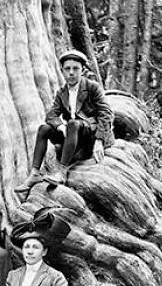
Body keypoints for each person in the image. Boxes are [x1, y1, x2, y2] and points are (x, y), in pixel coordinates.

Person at [16, 49, 114, 193]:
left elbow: (106, 113)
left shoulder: (92, 87)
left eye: (76, 68)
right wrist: (61, 126)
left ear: (83, 71)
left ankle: (61, 171)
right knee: (44, 128)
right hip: (73, 137)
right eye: (67, 69)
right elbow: (51, 115)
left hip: (90, 137)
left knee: (73, 124)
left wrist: (100, 140)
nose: (71, 73)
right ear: (62, 71)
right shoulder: (62, 92)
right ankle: (34, 174)